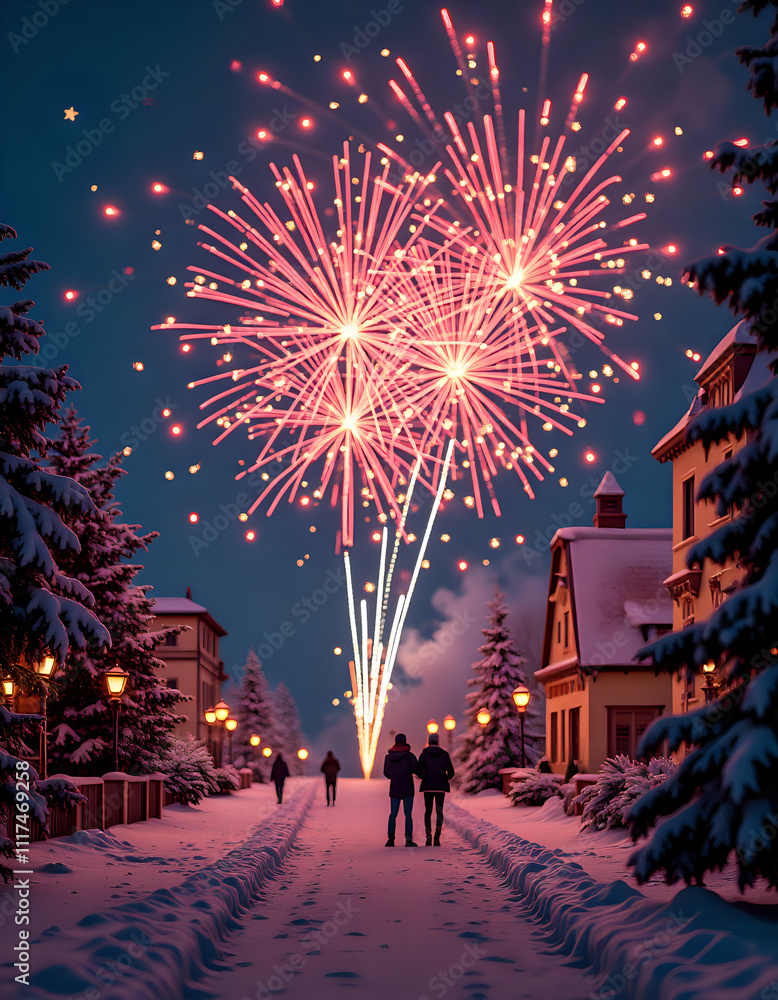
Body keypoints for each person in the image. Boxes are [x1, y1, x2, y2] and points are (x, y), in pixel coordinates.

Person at [416, 732, 455, 846]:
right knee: (439, 811)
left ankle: (428, 835)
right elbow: (451, 772)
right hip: (440, 787)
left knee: (428, 811)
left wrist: (425, 776)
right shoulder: (444, 754)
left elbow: (418, 771)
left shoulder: (424, 754)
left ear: (429, 741)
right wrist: (445, 778)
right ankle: (437, 836)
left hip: (428, 786)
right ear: (438, 741)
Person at [382, 732, 419, 847]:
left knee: (393, 814)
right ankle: (408, 840)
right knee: (408, 814)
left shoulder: (388, 757)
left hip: (395, 788)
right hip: (408, 788)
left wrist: (394, 776)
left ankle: (391, 839)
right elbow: (417, 770)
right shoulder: (410, 756)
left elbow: (386, 773)